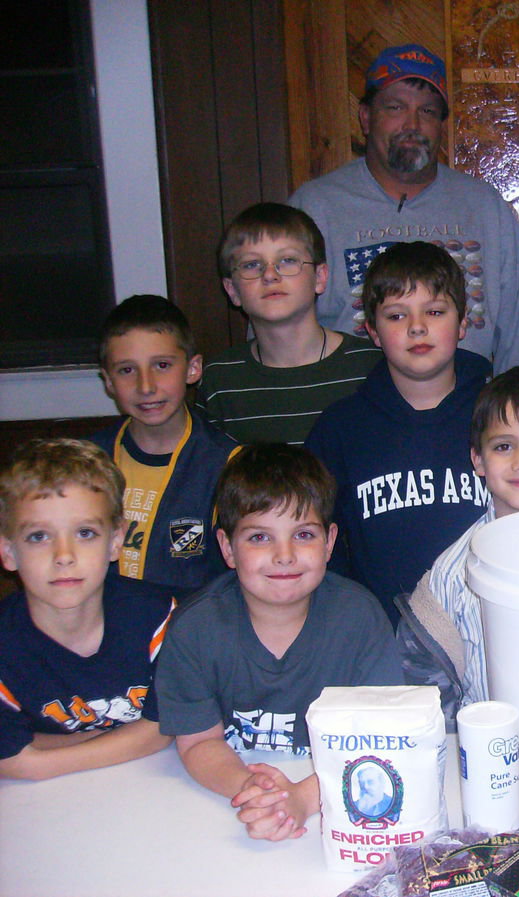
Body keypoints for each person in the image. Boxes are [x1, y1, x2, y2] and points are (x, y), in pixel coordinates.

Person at [153, 444, 404, 841]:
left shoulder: (361, 620)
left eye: (303, 534)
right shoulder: (194, 629)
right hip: (229, 808)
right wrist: (251, 790)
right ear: (227, 548)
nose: (284, 555)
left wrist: (303, 798)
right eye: (259, 537)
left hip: (336, 801)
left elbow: (385, 740)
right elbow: (199, 742)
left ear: (329, 542)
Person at [288, 44, 519, 372]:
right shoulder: (314, 208)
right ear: (366, 117)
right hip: (350, 401)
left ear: (441, 124)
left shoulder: (486, 208)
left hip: (468, 402)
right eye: (395, 107)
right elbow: (277, 333)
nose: (412, 124)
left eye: (427, 111)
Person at [305, 241, 491, 625]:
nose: (417, 327)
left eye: (435, 312)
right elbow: (315, 538)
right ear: (372, 331)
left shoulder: (503, 416)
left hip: (492, 631)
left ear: (462, 323)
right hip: (381, 637)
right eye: (396, 315)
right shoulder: (339, 429)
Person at [407, 365, 519, 713]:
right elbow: (428, 687)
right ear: (478, 460)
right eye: (504, 446)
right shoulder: (452, 572)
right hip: (492, 736)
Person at [0, 439, 176, 779]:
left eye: (85, 532)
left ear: (115, 541)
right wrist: (130, 738)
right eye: (38, 536)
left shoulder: (160, 619)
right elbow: (10, 761)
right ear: (8, 551)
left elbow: (164, 728)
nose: (64, 556)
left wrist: (37, 760)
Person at [196, 202, 381, 446]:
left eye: (287, 260)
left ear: (320, 277)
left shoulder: (372, 366)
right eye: (251, 264)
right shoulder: (220, 380)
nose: (270, 275)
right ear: (232, 290)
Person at [90, 295, 238, 591]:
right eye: (127, 370)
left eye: (161, 365)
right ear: (108, 381)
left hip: (188, 619)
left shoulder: (229, 466)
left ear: (193, 369)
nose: (146, 386)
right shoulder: (86, 462)